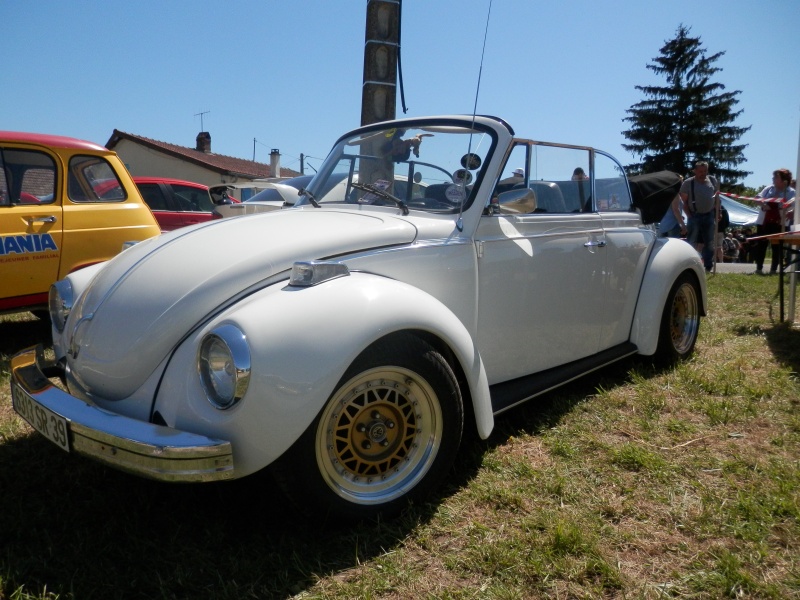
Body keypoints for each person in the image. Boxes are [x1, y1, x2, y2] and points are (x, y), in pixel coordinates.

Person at [753, 168, 796, 275]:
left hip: (779, 222)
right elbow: (757, 197)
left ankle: (774, 269)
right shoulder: (768, 189)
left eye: (776, 177)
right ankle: (758, 268)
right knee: (761, 245)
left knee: (777, 247)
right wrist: (763, 204)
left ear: (783, 179)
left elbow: (794, 206)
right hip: (764, 221)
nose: (773, 179)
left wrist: (790, 212)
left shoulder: (791, 192)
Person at [680, 161, 720, 272]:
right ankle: (687, 265)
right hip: (694, 215)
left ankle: (708, 266)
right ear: (695, 171)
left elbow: (717, 198)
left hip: (709, 215)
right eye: (700, 171)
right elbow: (683, 202)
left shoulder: (712, 180)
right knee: (691, 241)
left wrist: (718, 211)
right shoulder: (688, 183)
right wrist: (689, 216)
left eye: (705, 171)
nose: (703, 173)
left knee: (709, 242)